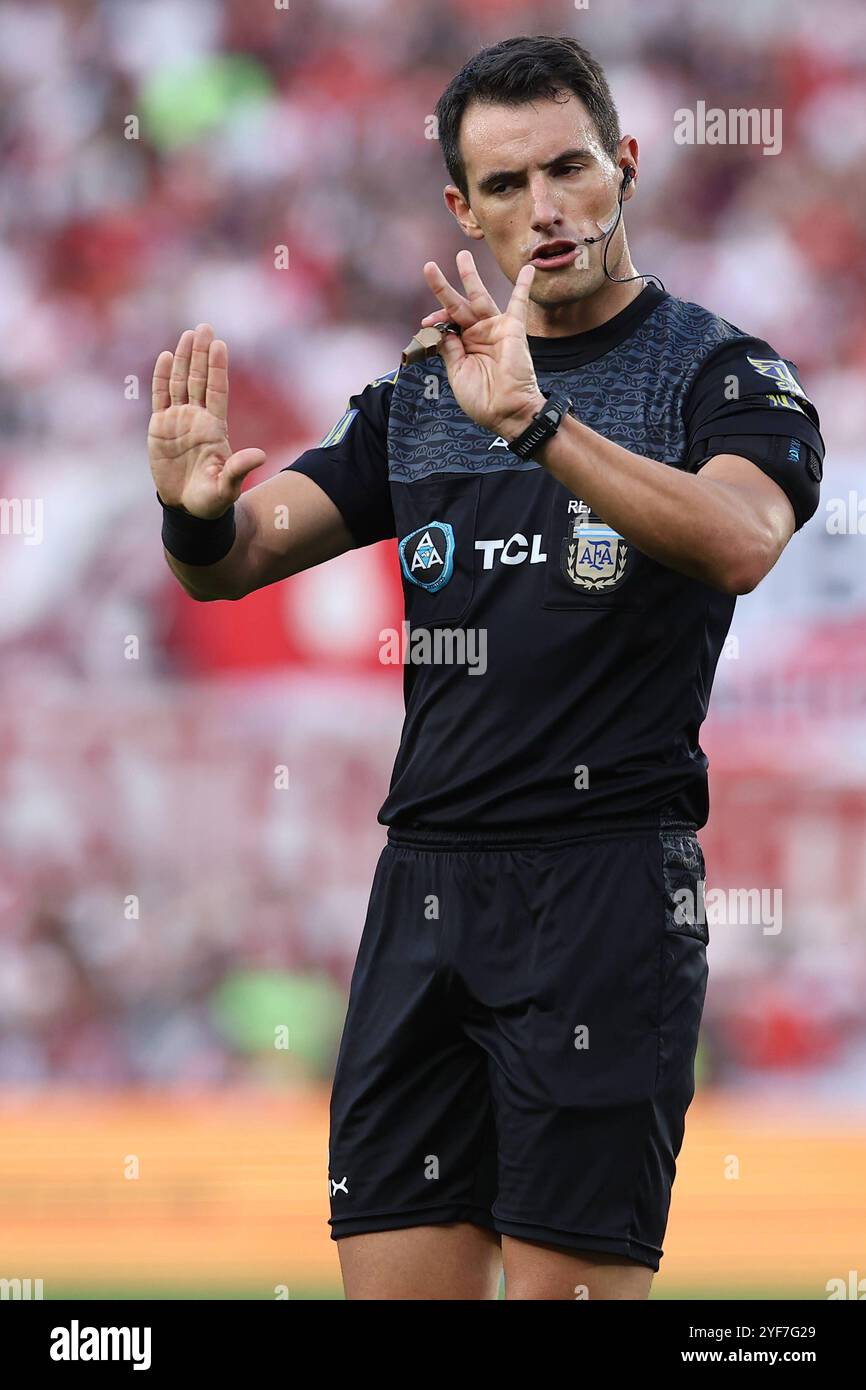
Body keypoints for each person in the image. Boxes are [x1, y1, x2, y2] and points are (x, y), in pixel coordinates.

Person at [148, 35, 824, 1300]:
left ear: (623, 164)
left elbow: (737, 541)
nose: (544, 209)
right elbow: (236, 558)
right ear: (460, 207)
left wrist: (538, 424)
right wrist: (193, 513)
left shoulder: (720, 373)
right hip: (426, 886)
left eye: (568, 168)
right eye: (504, 186)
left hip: (604, 887)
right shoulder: (422, 390)